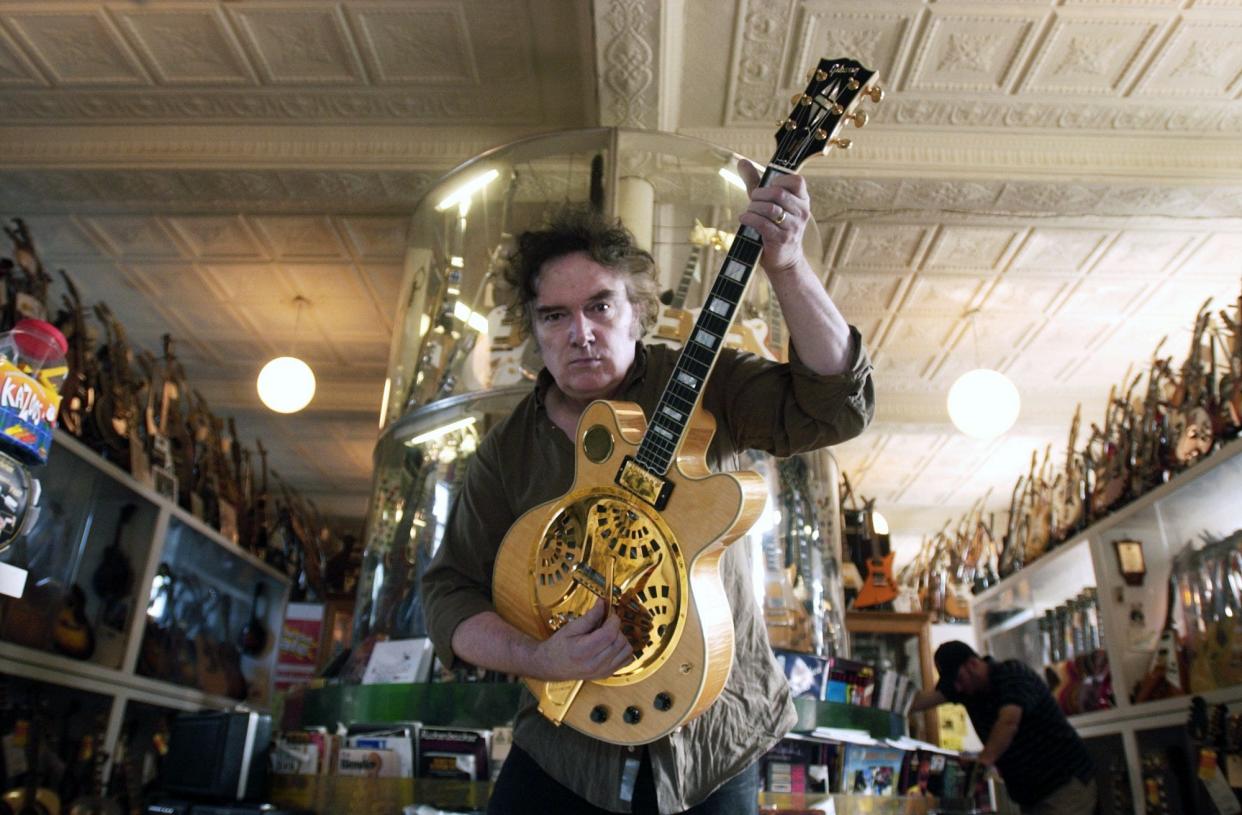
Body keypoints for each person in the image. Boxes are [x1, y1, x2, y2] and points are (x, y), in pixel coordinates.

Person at [420, 159, 875, 814]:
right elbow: (447, 589)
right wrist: (537, 657)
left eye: (600, 306)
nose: (580, 333)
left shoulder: (706, 381)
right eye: (554, 316)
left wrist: (788, 266)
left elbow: (837, 405)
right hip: (563, 743)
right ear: (533, 332)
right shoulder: (506, 452)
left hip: (713, 738)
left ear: (637, 311)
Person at [910, 641, 1098, 815]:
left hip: (1066, 784)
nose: (957, 688)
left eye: (959, 679)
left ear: (973, 664)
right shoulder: (966, 688)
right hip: (1032, 795)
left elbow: (1008, 722)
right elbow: (920, 701)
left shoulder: (1012, 674)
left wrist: (981, 764)